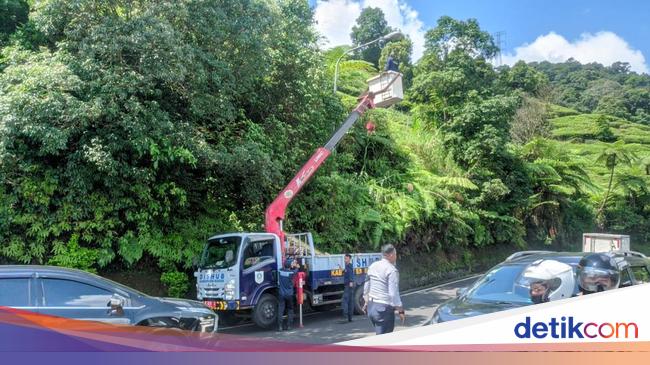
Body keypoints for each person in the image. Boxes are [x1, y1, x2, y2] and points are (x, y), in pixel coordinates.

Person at [362, 244, 405, 335]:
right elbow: (393, 294)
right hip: (383, 310)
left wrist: (366, 301)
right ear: (391, 255)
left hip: (371, 307)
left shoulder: (373, 266)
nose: (396, 257)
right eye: (396, 254)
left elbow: (366, 285)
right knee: (385, 340)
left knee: (380, 336)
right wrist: (400, 310)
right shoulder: (391, 270)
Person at [278, 258, 299, 331]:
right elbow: (296, 270)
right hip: (289, 294)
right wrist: (296, 265)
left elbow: (282, 268)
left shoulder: (280, 271)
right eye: (291, 263)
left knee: (281, 309)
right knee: (290, 309)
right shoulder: (291, 273)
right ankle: (289, 326)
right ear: (290, 265)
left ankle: (280, 326)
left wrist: (288, 263)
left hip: (281, 294)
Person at [340, 254, 356, 323]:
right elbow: (347, 273)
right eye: (344, 258)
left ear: (349, 259)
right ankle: (350, 318)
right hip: (349, 285)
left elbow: (351, 274)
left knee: (345, 300)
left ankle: (345, 316)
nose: (345, 260)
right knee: (350, 301)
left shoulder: (349, 266)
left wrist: (351, 282)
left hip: (349, 285)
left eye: (346, 258)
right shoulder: (347, 266)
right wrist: (342, 270)